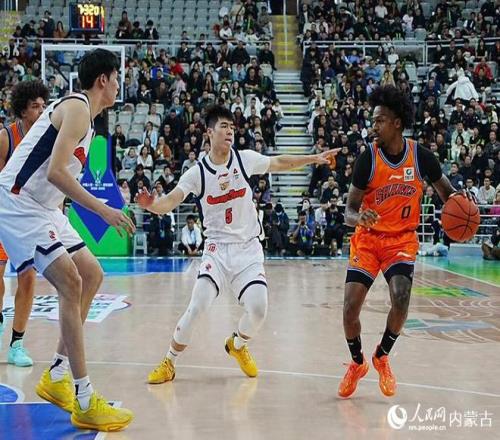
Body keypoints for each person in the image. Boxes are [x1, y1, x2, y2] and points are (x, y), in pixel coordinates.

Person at [136, 105, 338, 384]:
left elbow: (279, 162)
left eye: (232, 126)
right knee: (197, 306)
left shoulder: (245, 160)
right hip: (217, 250)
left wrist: (313, 158)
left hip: (248, 249)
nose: (230, 131)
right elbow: (170, 201)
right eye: (223, 126)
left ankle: (237, 345)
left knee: (259, 309)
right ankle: (169, 361)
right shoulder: (197, 173)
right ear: (209, 133)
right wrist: (152, 205)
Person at [0, 49, 134, 431]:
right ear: (103, 80)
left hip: (43, 207)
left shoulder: (88, 121)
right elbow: (57, 172)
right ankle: (86, 398)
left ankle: (56, 374)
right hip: (18, 201)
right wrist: (103, 210)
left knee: (92, 274)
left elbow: (54, 176)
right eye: (117, 78)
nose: (120, 85)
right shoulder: (76, 107)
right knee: (71, 282)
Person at [339, 86, 457, 399]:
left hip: (401, 240)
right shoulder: (368, 158)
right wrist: (359, 218)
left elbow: (448, 194)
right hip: (368, 240)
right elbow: (349, 211)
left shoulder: (421, 156)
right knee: (350, 309)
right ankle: (357, 363)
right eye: (372, 121)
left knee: (401, 297)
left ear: (396, 123)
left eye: (379, 121)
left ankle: (382, 356)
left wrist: (461, 205)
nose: (373, 126)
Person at [0, 81, 48, 367]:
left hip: (29, 218)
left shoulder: (49, 138)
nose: (41, 111)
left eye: (43, 105)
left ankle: (17, 344)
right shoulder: (6, 138)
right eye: (34, 106)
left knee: (28, 277)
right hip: (3, 213)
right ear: (22, 111)